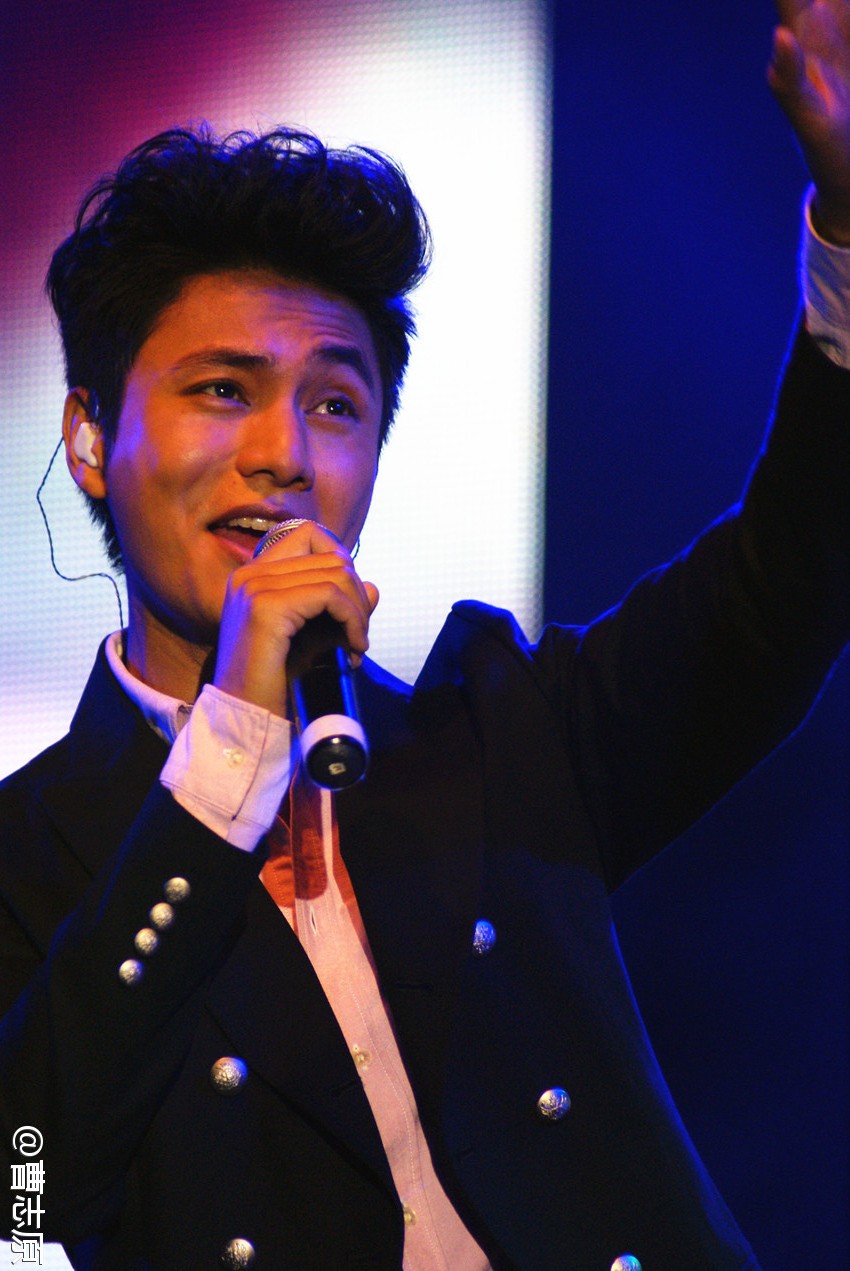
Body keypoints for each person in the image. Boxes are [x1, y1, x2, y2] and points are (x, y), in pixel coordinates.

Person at [2, 2, 850, 1267]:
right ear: (88, 438)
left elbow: (784, 582)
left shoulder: (496, 734)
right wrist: (232, 738)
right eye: (223, 389)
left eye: (335, 404)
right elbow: (25, 1183)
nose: (284, 454)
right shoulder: (28, 854)